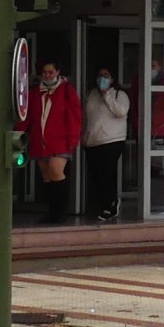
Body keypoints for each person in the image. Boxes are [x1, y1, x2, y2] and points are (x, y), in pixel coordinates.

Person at [23, 61, 84, 225]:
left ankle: (61, 212)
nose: (47, 75)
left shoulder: (66, 90)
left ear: (57, 72)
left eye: (50, 72)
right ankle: (51, 212)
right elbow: (27, 115)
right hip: (40, 140)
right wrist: (21, 132)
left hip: (60, 140)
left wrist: (73, 138)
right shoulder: (35, 92)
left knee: (56, 171)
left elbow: (75, 115)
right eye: (44, 72)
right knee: (47, 176)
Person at [81, 65, 131, 222]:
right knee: (96, 175)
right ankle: (101, 203)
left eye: (106, 75)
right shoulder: (90, 94)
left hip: (112, 140)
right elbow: (86, 116)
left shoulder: (119, 94)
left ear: (112, 79)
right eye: (100, 75)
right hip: (92, 140)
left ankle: (111, 204)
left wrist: (106, 95)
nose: (102, 78)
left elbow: (121, 112)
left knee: (107, 173)